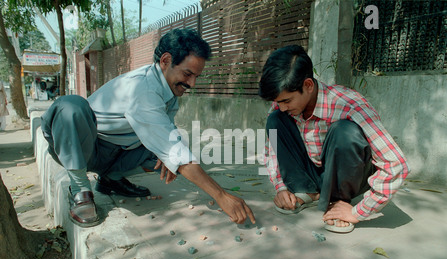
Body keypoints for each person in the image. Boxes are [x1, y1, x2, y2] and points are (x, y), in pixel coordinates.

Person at [41, 29, 255, 228]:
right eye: (188, 74)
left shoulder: (170, 93)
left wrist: (167, 154)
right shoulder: (143, 89)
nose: (192, 83)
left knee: (170, 154)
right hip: (84, 148)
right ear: (166, 61)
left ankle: (111, 180)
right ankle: (80, 189)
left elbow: (169, 139)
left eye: (196, 76)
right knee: (71, 106)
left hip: (116, 153)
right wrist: (221, 195)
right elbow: (175, 152)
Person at [258, 45, 410, 233]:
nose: (281, 106)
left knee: (345, 131)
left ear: (308, 85)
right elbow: (271, 151)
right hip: (313, 170)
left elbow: (397, 164)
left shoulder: (350, 104)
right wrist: (281, 187)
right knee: (275, 120)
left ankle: (340, 202)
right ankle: (309, 192)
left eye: (287, 101)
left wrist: (359, 211)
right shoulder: (281, 106)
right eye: (278, 101)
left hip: (348, 176)